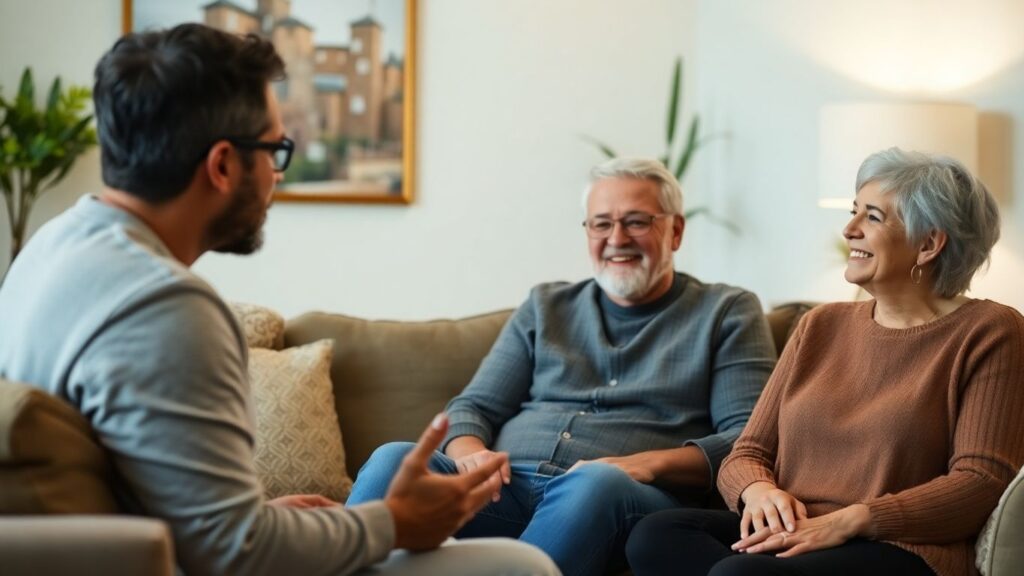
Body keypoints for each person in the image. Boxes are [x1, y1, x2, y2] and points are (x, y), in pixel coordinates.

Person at [0, 24, 559, 576]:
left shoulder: (47, 249)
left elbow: (188, 517)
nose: (275, 175)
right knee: (519, 564)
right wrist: (393, 522)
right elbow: (235, 552)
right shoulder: (168, 308)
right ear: (222, 165)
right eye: (275, 150)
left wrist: (262, 518)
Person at [346, 157, 779, 576]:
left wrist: (645, 464)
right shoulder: (545, 305)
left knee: (594, 483)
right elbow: (473, 406)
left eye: (636, 221)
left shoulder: (727, 311)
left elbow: (747, 439)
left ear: (676, 231)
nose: (617, 238)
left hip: (617, 499)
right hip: (504, 491)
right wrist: (470, 455)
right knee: (393, 459)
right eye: (602, 223)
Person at [625, 148, 1024, 576]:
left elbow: (981, 482)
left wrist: (852, 520)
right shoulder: (819, 324)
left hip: (898, 546)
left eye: (871, 217)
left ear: (928, 244)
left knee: (739, 574)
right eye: (855, 213)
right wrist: (758, 491)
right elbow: (749, 451)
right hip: (797, 530)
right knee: (657, 535)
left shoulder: (991, 330)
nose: (849, 230)